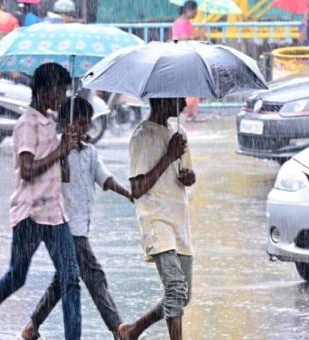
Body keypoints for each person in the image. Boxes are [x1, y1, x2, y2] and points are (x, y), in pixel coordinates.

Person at [0, 63, 82, 340]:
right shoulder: (27, 123)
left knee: (70, 278)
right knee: (17, 275)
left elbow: (62, 173)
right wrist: (60, 149)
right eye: (60, 90)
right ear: (45, 89)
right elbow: (27, 170)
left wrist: (66, 148)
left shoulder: (50, 123)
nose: (62, 97)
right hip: (31, 211)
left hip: (55, 211)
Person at [18, 97, 134, 340]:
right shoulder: (55, 150)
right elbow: (61, 179)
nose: (84, 130)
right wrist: (64, 151)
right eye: (79, 124)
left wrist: (128, 194)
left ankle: (31, 328)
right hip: (64, 225)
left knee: (62, 281)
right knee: (94, 274)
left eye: (87, 125)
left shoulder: (90, 152)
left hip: (81, 226)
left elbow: (104, 178)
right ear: (65, 123)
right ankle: (118, 328)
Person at [121, 98, 196, 340]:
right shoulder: (142, 136)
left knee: (183, 295)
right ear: (162, 99)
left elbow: (186, 174)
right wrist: (168, 156)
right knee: (175, 288)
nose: (184, 104)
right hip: (156, 219)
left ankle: (133, 330)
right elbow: (137, 189)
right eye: (179, 99)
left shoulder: (179, 132)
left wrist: (189, 176)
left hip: (179, 220)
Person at [172, 1, 203, 121]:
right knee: (191, 85)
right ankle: (189, 111)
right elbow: (182, 39)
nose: (196, 13)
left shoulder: (185, 22)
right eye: (194, 10)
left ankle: (190, 111)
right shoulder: (181, 23)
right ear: (187, 10)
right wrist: (196, 35)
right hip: (184, 57)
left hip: (186, 57)